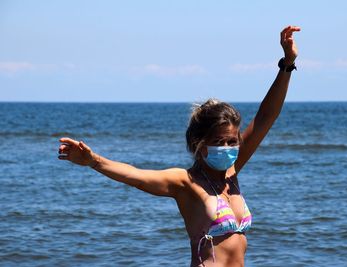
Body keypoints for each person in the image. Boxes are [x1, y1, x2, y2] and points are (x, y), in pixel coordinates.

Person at [58, 25, 300, 267]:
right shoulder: (185, 182)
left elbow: (266, 116)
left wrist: (287, 64)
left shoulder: (231, 173)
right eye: (218, 142)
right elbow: (136, 176)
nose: (227, 147)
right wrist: (93, 161)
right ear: (199, 144)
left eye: (232, 141)